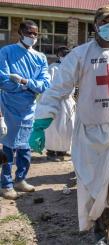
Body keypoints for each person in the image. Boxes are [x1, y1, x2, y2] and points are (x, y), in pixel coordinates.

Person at [29, 5, 109, 244]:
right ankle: (101, 233)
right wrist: (41, 122)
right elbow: (58, 89)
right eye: (105, 22)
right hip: (90, 132)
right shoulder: (79, 55)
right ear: (95, 25)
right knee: (96, 190)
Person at [0, 20, 50, 200]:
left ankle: (20, 179)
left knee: (25, 148)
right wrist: (30, 87)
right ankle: (5, 184)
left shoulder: (40, 57)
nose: (33, 37)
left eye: (36, 34)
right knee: (7, 147)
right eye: (29, 33)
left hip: (29, 108)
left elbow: (44, 85)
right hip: (9, 106)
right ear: (20, 32)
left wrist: (23, 82)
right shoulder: (6, 52)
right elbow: (4, 81)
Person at [45, 46, 75, 162]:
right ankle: (51, 151)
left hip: (68, 101)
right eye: (63, 53)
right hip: (56, 101)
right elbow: (49, 86)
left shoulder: (71, 67)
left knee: (67, 127)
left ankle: (63, 149)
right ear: (59, 55)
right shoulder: (53, 68)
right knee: (54, 127)